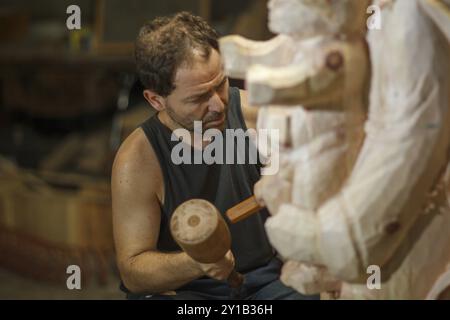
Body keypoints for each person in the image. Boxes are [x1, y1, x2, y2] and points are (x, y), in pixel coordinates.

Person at [111, 11, 317, 300]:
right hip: (186, 291)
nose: (218, 106)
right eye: (197, 98)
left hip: (266, 281)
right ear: (156, 100)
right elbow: (133, 272)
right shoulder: (138, 159)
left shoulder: (256, 114)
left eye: (220, 84)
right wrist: (197, 261)